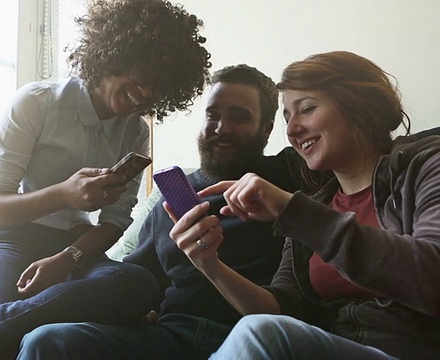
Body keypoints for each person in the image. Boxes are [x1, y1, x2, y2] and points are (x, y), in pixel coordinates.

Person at [0, 1, 211, 359]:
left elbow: (115, 220)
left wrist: (67, 258)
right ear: (114, 53)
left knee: (138, 283)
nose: (145, 93)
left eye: (158, 86)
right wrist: (65, 195)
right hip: (3, 240)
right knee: (0, 347)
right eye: (142, 74)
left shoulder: (135, 133)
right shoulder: (36, 103)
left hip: (74, 248)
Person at [17, 64, 321, 359]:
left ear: (267, 130)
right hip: (168, 337)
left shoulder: (295, 174)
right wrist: (135, 311)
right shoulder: (174, 193)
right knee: (46, 342)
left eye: (239, 118)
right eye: (212, 115)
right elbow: (139, 276)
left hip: (250, 336)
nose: (221, 128)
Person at [167, 51, 440, 359]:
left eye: (306, 109)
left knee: (261, 335)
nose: (292, 130)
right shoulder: (316, 204)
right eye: (287, 117)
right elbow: (283, 308)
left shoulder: (426, 166)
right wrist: (209, 264)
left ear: (359, 106)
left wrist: (292, 211)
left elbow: (432, 279)